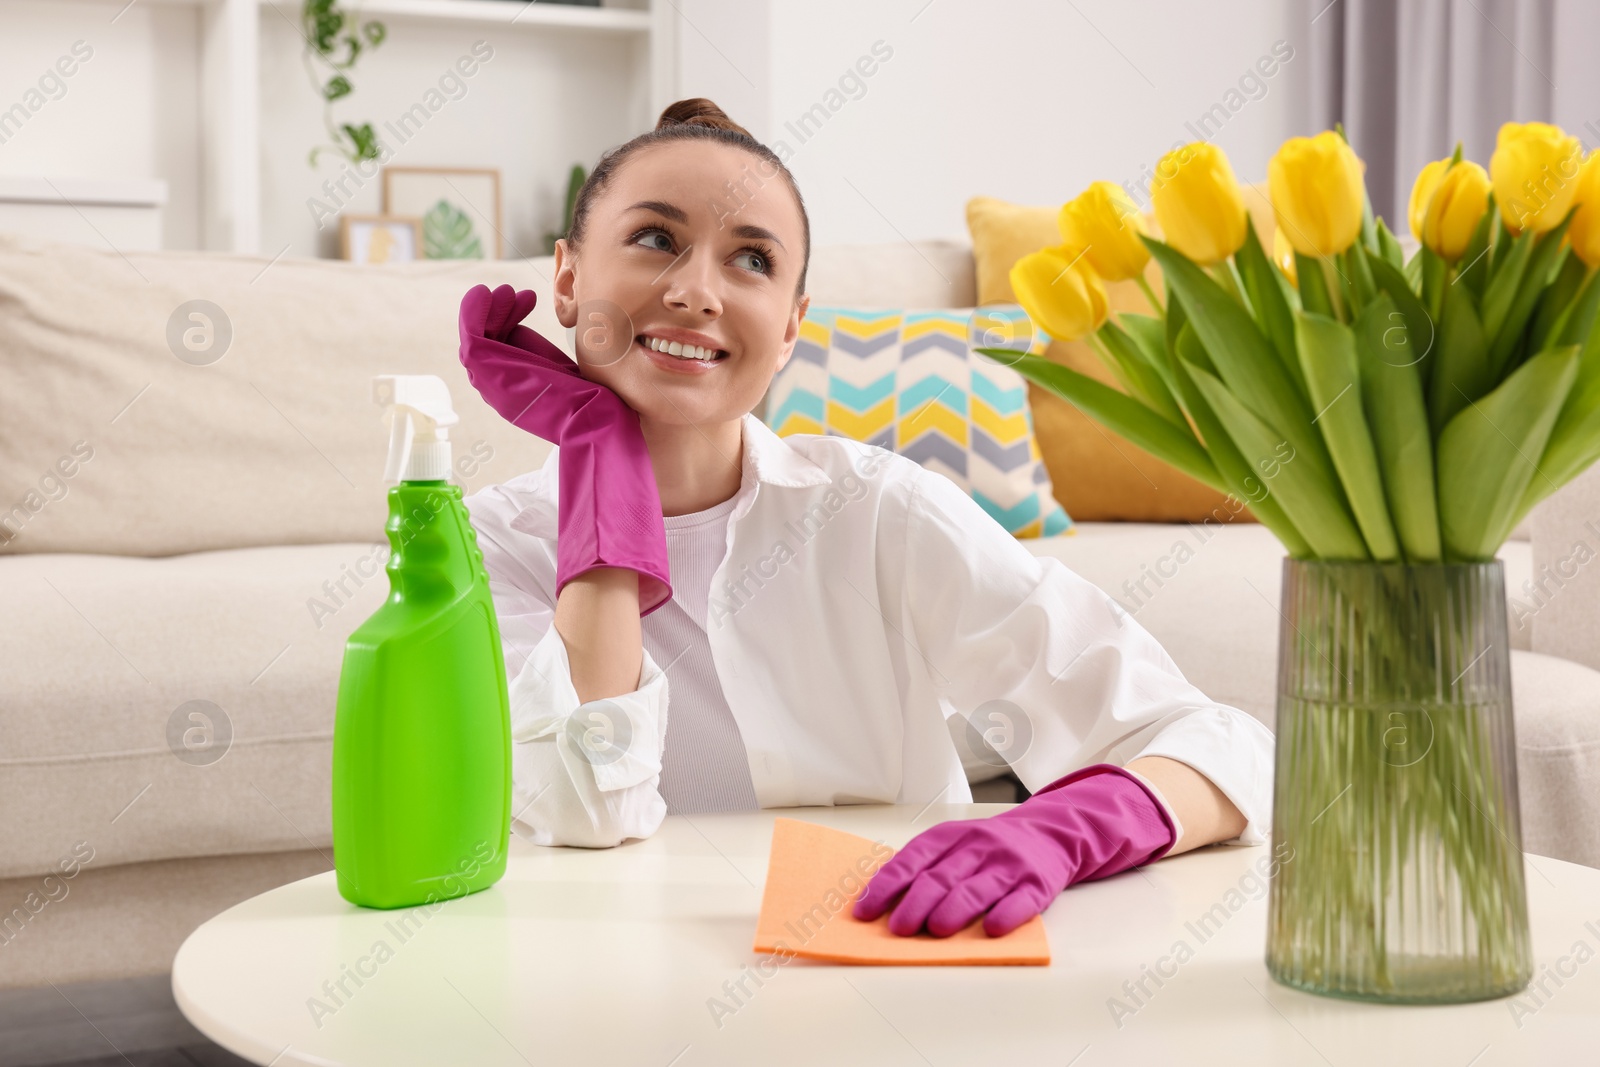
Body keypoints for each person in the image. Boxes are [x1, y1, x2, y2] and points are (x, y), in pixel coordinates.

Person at [460, 98, 1273, 940]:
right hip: (615, 987)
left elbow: (1219, 742)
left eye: (750, 259)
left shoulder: (877, 509)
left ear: (789, 329)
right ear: (566, 278)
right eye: (656, 239)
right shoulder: (489, 546)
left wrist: (1065, 829)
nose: (696, 290)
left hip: (890, 976)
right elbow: (588, 804)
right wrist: (603, 456)